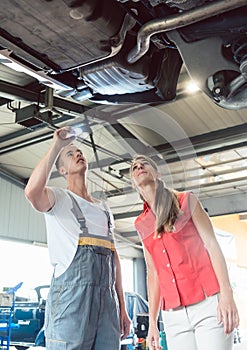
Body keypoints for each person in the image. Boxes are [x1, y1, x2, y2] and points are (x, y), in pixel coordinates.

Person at [25, 126, 130, 350]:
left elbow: (114, 259)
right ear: (62, 170)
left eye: (79, 152)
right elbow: (32, 192)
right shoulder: (58, 199)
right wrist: (57, 146)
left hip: (107, 304)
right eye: (70, 155)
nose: (77, 154)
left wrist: (122, 306)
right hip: (71, 300)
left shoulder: (103, 209)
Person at [129, 154, 239, 350]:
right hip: (173, 317)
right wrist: (152, 322)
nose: (139, 167)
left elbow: (213, 246)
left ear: (158, 173)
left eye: (144, 163)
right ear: (133, 184)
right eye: (134, 167)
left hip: (208, 305)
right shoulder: (141, 224)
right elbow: (153, 273)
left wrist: (227, 294)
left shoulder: (186, 201)